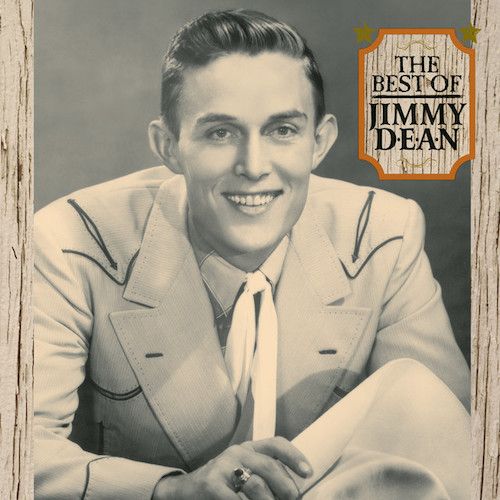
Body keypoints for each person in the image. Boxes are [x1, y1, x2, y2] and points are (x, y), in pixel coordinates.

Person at [34, 9, 470, 499]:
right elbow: (18, 449)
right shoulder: (68, 243)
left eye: (282, 130)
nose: (254, 166)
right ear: (169, 146)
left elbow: (449, 438)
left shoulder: (383, 235)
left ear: (319, 142)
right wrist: (172, 492)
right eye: (220, 133)